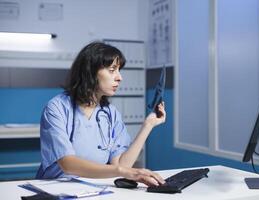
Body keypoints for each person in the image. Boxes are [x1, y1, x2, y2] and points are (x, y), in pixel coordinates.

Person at [36, 41, 166, 186]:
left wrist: (148, 125)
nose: (119, 77)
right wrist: (124, 172)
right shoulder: (57, 108)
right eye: (112, 70)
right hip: (56, 188)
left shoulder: (111, 113)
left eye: (119, 70)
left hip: (93, 187)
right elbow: (68, 164)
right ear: (90, 72)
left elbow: (122, 164)